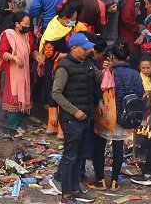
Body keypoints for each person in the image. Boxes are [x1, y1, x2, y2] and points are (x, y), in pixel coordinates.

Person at [50, 33, 101, 202]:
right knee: (70, 157)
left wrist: (109, 70)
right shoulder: (64, 67)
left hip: (85, 117)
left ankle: (75, 188)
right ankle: (66, 193)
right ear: (74, 48)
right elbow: (56, 94)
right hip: (72, 120)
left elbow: (97, 80)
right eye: (85, 48)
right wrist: (74, 111)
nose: (88, 51)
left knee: (80, 155)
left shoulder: (88, 63)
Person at [93, 39, 143, 191]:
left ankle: (100, 180)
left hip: (108, 114)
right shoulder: (135, 74)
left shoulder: (109, 72)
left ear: (112, 57)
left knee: (100, 147)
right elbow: (140, 92)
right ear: (128, 57)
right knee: (118, 147)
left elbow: (99, 89)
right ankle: (114, 181)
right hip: (125, 115)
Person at [0, 12, 33, 133]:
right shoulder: (8, 35)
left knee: (22, 100)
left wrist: (38, 56)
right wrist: (14, 58)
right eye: (25, 24)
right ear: (17, 24)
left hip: (24, 73)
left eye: (29, 24)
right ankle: (11, 128)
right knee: (13, 100)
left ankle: (16, 127)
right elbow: (1, 52)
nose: (28, 26)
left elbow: (33, 50)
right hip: (10, 73)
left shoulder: (29, 35)